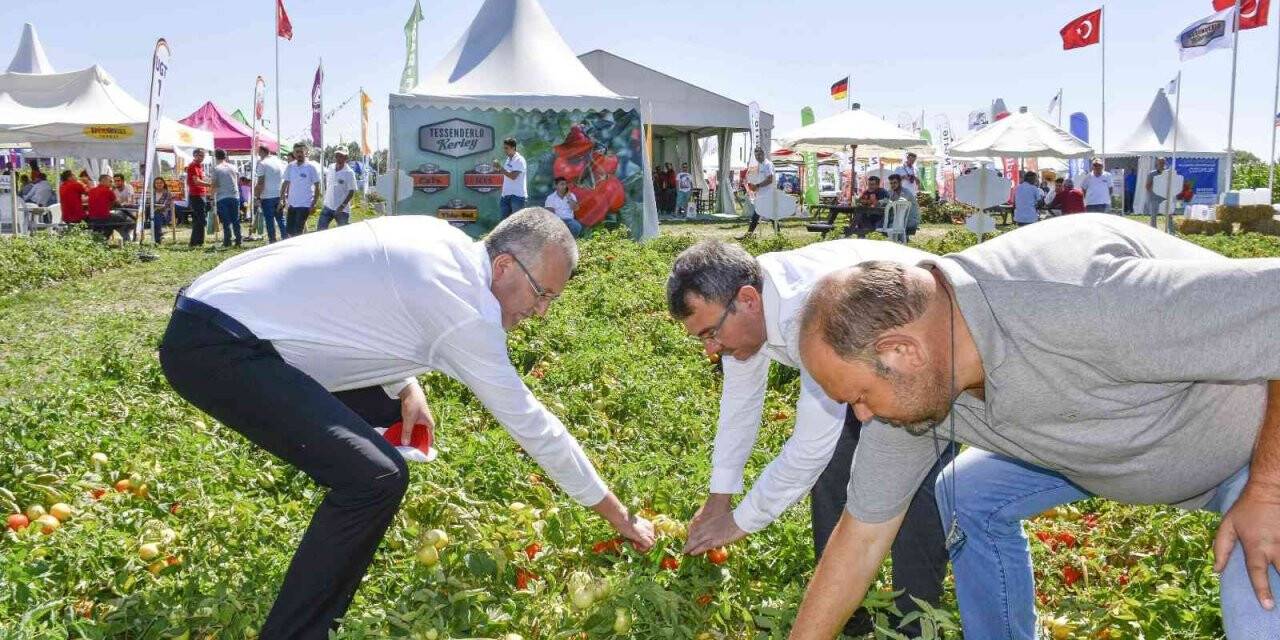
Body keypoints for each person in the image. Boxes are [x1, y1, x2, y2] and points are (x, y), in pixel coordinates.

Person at [158, 208, 656, 637]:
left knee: (380, 426)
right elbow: (535, 427)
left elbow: (373, 306)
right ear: (504, 265)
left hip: (216, 314)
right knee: (374, 478)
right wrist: (618, 514)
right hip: (218, 349)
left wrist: (406, 388)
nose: (541, 312)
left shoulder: (441, 241)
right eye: (541, 294)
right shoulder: (466, 312)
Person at [789, 214, 1280, 640]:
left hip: (1258, 446)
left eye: (858, 397)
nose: (863, 417)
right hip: (1132, 438)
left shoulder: (1080, 300)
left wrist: (1268, 490)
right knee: (968, 494)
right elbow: (861, 537)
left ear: (903, 351)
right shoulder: (922, 383)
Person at [667, 239, 956, 638]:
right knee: (832, 478)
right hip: (866, 366)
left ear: (748, 300)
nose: (710, 349)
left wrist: (739, 522)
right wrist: (720, 498)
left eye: (710, 333)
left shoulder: (809, 312)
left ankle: (916, 624)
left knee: (917, 495)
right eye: (701, 339)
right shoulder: (748, 299)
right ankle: (847, 613)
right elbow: (740, 405)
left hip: (927, 360)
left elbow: (808, 449)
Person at [280, 143, 322, 237]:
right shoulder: (290, 166)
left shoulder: (311, 167)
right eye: (297, 152)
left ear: (306, 152)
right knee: (290, 231)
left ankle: (299, 250)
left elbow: (317, 187)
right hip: (292, 204)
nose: (299, 154)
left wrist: (314, 203)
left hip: (304, 205)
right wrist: (281, 199)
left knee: (298, 231)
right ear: (294, 153)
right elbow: (285, 184)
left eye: (301, 152)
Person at [317, 149, 357, 230]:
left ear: (346, 158)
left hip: (341, 210)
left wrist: (342, 206)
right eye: (337, 155)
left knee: (343, 234)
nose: (338, 158)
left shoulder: (349, 172)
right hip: (328, 206)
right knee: (320, 231)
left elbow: (351, 191)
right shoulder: (330, 167)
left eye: (341, 156)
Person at [255, 145, 288, 243]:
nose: (258, 154)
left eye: (258, 152)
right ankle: (286, 238)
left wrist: (257, 196)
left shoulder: (262, 163)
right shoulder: (279, 161)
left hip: (267, 196)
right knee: (281, 219)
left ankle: (272, 240)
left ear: (262, 151)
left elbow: (261, 182)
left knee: (269, 221)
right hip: (279, 194)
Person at [740, 148, 776, 238]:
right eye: (756, 156)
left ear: (763, 154)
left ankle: (748, 235)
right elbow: (761, 179)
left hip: (768, 194)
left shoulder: (768, 164)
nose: (758, 157)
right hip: (762, 194)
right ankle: (778, 235)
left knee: (757, 215)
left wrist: (757, 186)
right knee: (770, 216)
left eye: (759, 155)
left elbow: (770, 179)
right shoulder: (760, 165)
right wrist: (754, 187)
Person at [210, 149, 242, 248]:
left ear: (216, 157)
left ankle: (227, 240)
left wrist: (211, 198)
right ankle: (238, 239)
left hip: (222, 197)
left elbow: (214, 184)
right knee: (236, 219)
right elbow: (238, 180)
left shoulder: (216, 168)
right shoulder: (233, 167)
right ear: (225, 156)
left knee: (226, 220)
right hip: (234, 195)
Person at [86, 173, 131, 242]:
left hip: (92, 218)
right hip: (104, 218)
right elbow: (117, 203)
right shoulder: (108, 191)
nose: (112, 183)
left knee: (114, 223)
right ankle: (126, 240)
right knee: (127, 221)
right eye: (110, 181)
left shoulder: (91, 191)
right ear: (104, 181)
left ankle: (105, 238)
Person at [495, 138, 527, 219]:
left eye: (506, 148)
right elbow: (507, 174)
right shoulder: (508, 159)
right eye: (504, 148)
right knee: (504, 224)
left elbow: (513, 176)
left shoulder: (519, 160)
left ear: (513, 148)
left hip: (517, 197)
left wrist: (501, 168)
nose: (504, 150)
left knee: (516, 224)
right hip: (506, 195)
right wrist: (498, 169)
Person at [187, 149, 212, 246]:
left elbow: (201, 180)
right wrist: (210, 185)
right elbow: (196, 181)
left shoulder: (199, 166)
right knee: (200, 219)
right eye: (199, 155)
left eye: (202, 155)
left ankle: (197, 242)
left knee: (199, 219)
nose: (201, 157)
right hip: (196, 195)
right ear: (194, 155)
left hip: (201, 195)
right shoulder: (193, 165)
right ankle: (196, 242)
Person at [885, 174, 920, 239]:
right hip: (899, 219)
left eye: (895, 183)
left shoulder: (906, 192)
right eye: (891, 183)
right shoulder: (891, 191)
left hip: (910, 220)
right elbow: (885, 200)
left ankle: (898, 242)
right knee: (881, 222)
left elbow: (900, 203)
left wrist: (890, 201)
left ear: (900, 183)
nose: (893, 185)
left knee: (890, 226)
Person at [150, 176, 175, 245]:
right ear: (154, 185)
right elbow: (148, 204)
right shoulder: (152, 193)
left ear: (164, 184)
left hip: (165, 214)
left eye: (160, 183)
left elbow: (165, 206)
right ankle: (158, 237)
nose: (159, 184)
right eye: (157, 183)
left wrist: (155, 208)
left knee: (156, 216)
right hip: (152, 213)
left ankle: (157, 240)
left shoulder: (167, 193)